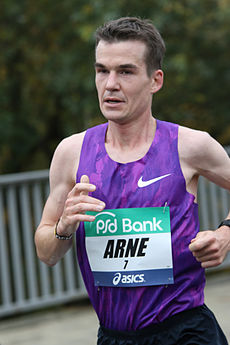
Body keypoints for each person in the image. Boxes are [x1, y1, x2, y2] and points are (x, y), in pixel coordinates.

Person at [34, 17, 230, 345]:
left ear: (155, 80)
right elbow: (46, 253)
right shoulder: (72, 152)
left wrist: (226, 233)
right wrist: (64, 226)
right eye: (102, 70)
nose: (110, 84)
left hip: (186, 332)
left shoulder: (189, 146)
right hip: (114, 337)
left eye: (125, 71)